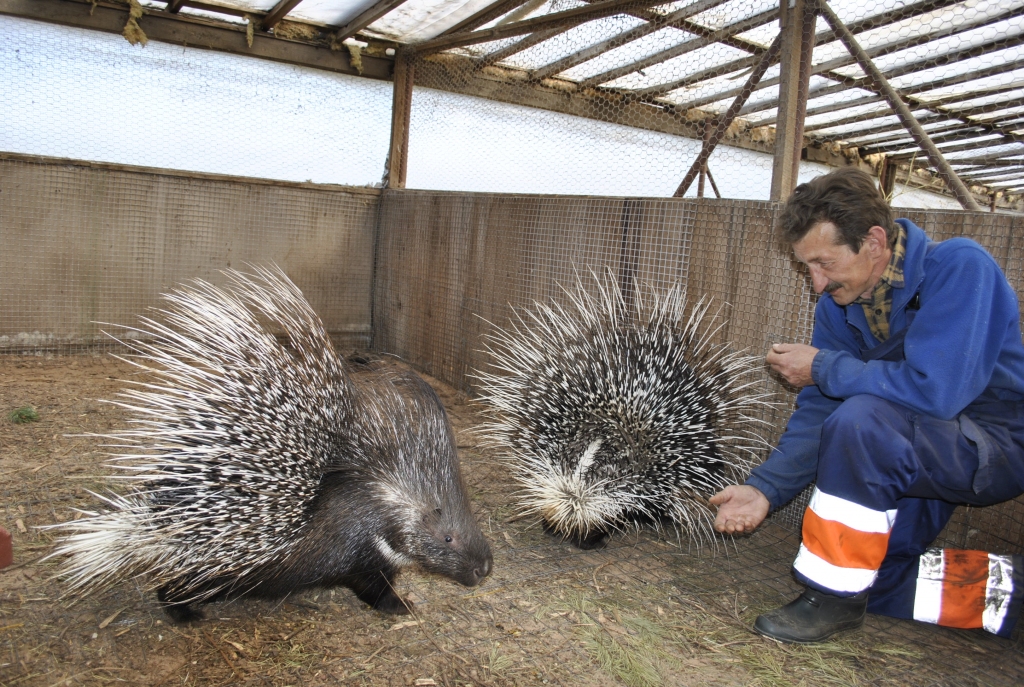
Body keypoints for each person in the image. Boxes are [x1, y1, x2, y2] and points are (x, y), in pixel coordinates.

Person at [709, 166, 1024, 644]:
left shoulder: (961, 266)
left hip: (995, 444)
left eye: (824, 263)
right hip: (915, 449)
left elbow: (938, 393)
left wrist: (825, 368)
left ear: (874, 242)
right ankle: (1013, 592)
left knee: (861, 419)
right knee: (871, 579)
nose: (816, 283)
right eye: (806, 268)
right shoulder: (838, 305)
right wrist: (765, 489)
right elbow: (820, 408)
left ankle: (829, 599)